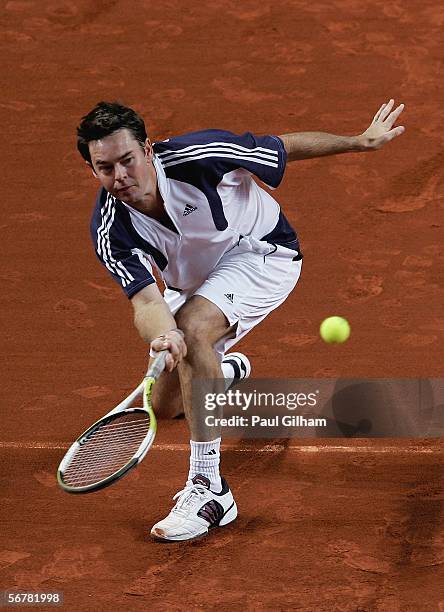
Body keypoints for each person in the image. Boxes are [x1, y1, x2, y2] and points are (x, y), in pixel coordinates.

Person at [76, 99, 405, 541]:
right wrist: (163, 336)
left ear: (148, 150)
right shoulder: (110, 228)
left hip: (259, 254)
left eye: (127, 161)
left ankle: (210, 489)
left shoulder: (202, 156)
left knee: (193, 331)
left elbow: (282, 148)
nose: (120, 177)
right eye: (104, 168)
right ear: (92, 169)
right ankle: (224, 372)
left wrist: (359, 142)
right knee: (164, 405)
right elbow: (147, 304)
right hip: (192, 283)